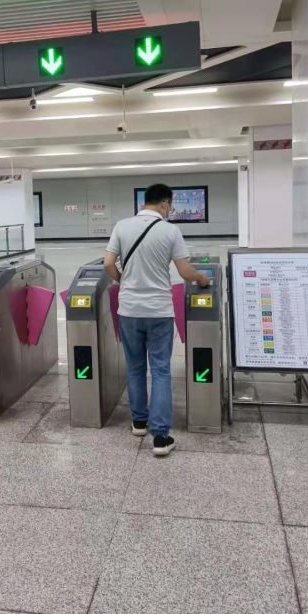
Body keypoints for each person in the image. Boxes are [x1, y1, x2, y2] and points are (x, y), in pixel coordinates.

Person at [104, 183, 210, 456]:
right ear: (164, 203)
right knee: (161, 369)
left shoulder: (121, 226)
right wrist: (202, 278)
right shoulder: (170, 230)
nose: (169, 210)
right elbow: (185, 271)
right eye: (170, 206)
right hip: (159, 310)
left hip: (129, 310)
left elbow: (108, 264)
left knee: (135, 367)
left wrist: (124, 281)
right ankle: (161, 436)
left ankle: (139, 422)